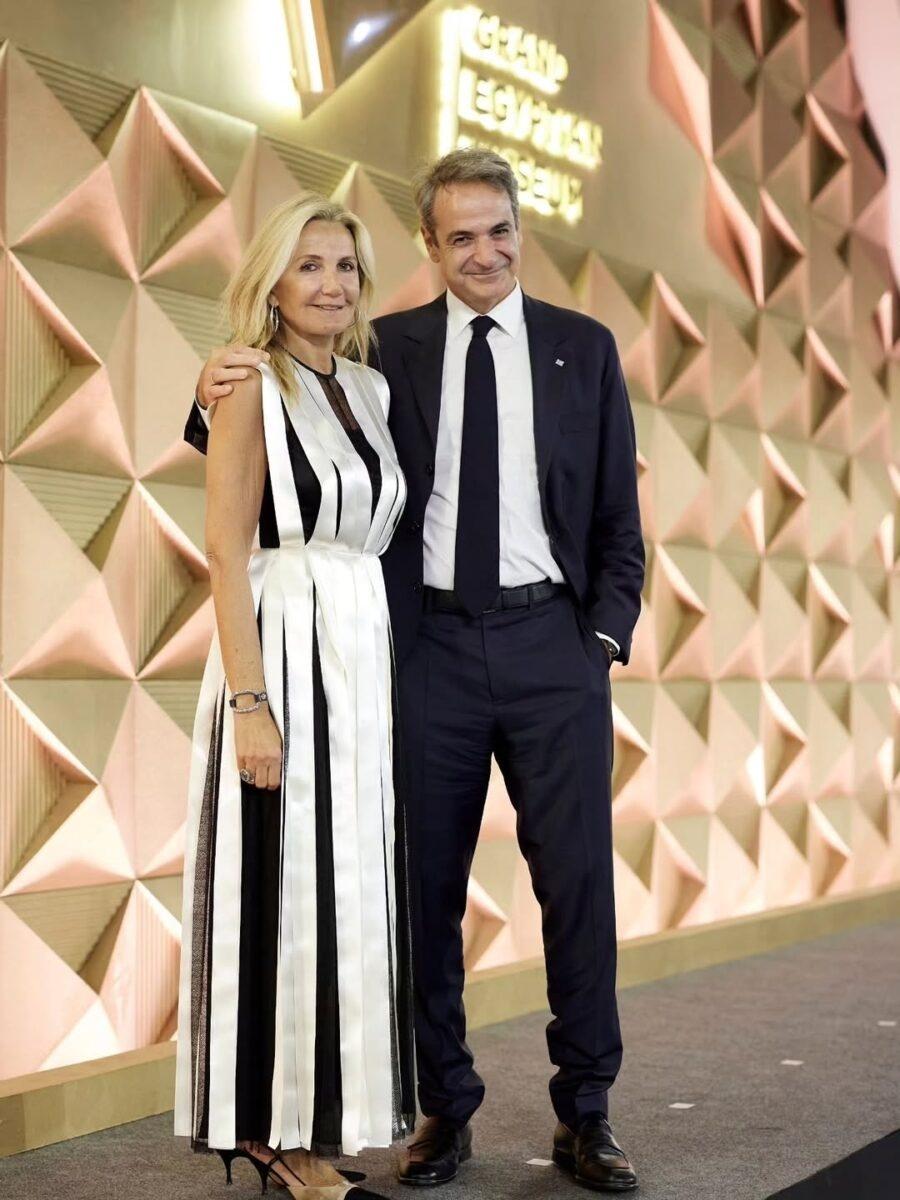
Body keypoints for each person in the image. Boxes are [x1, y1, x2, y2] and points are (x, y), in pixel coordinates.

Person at [187, 148, 644, 1194]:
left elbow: (620, 519)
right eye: (461, 237)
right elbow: (281, 407)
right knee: (421, 890)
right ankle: (445, 1107)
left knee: (577, 886)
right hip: (425, 650)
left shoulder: (584, 347)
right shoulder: (384, 348)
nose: (485, 252)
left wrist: (600, 643)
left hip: (552, 647)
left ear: (521, 230)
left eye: (500, 230)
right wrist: (206, 385)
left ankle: (588, 1110)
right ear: (429, 247)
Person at [174, 193, 414, 1200]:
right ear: (271, 282)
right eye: (309, 264)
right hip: (278, 649)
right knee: (274, 888)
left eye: (346, 266)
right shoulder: (244, 383)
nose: (331, 283)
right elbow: (224, 550)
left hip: (357, 662)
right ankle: (273, 1132)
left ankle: (321, 1116)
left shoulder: (370, 387)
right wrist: (250, 704)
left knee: (341, 891)